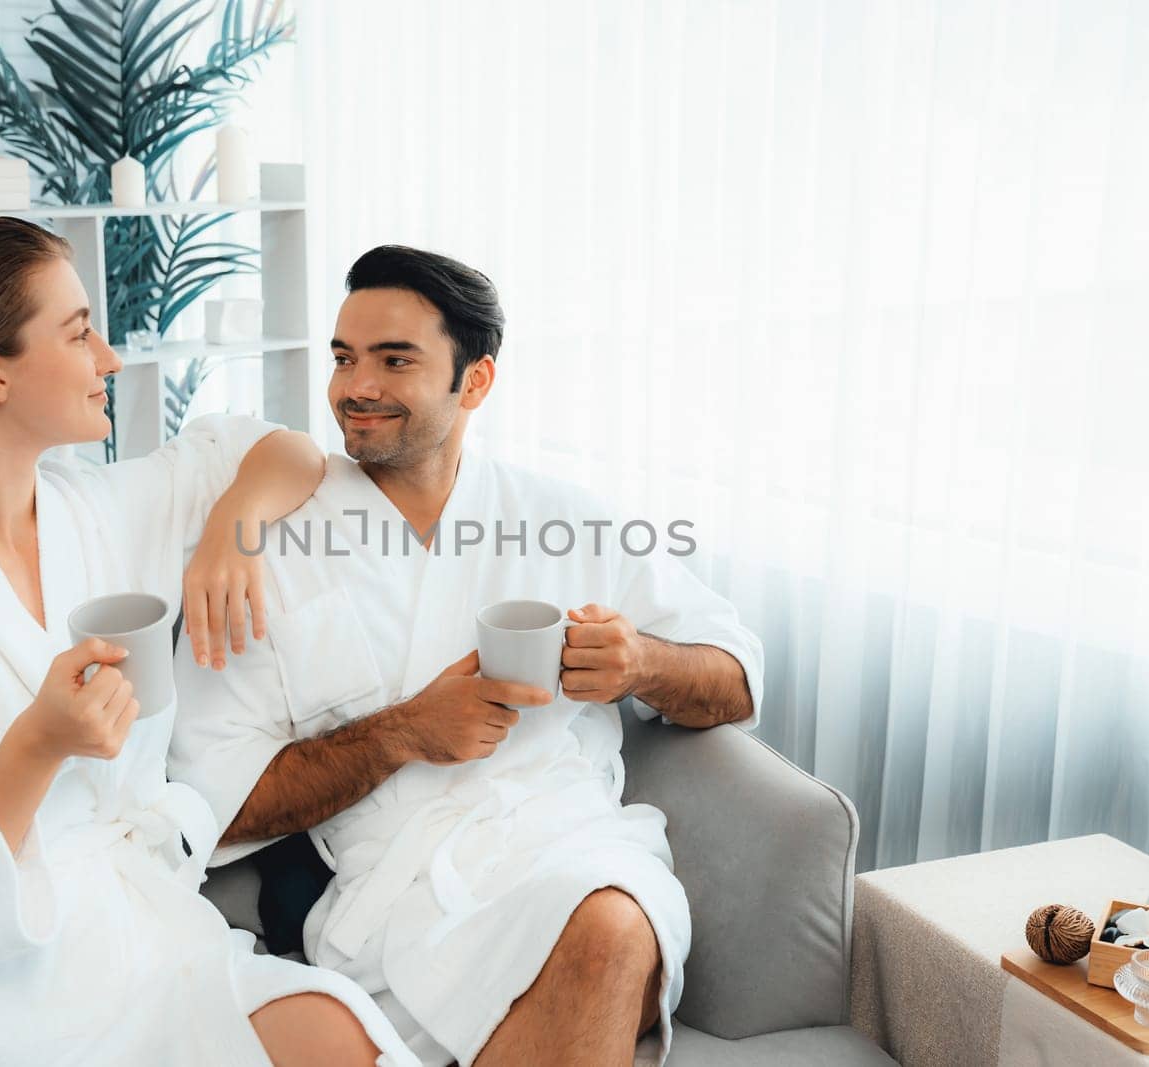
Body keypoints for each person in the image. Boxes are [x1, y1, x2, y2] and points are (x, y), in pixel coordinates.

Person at [0, 216, 417, 1067]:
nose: (110, 358)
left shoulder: (101, 513)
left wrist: (233, 524)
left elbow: (281, 450)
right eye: (80, 332)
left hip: (149, 945)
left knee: (343, 1035)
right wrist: (35, 747)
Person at [170, 245, 764, 1067]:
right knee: (592, 954)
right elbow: (211, 800)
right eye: (343, 358)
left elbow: (734, 677)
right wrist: (402, 733)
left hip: (569, 843)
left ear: (474, 381)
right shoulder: (274, 542)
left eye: (394, 359)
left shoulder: (564, 520)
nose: (355, 387)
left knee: (610, 923)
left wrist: (643, 665)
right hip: (395, 900)